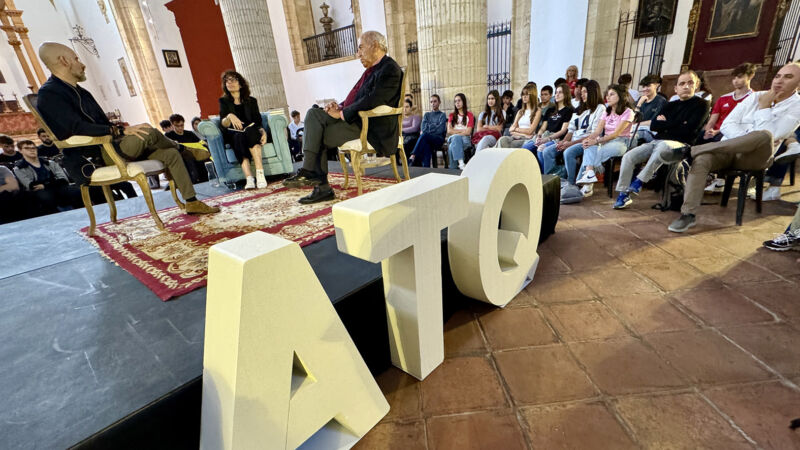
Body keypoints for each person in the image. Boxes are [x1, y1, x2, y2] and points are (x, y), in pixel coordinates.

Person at [35, 42, 219, 215]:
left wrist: (120, 131)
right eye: (76, 58)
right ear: (63, 61)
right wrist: (120, 131)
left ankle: (192, 201)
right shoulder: (49, 94)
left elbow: (102, 124)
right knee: (147, 131)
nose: (82, 64)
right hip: (95, 155)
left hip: (114, 145)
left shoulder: (81, 91)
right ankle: (184, 148)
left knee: (170, 154)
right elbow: (75, 127)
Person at [668, 62, 800, 233]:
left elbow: (773, 134)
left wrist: (764, 107)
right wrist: (747, 136)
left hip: (757, 157)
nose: (779, 81)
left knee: (764, 136)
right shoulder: (754, 97)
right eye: (778, 76)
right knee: (703, 159)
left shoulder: (796, 106)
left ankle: (690, 151)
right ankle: (688, 215)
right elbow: (727, 124)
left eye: (788, 77)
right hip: (730, 150)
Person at [283, 31, 402, 204]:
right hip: (355, 121)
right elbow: (358, 96)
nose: (358, 54)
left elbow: (374, 100)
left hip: (370, 128)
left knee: (318, 135)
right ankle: (310, 171)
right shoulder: (371, 70)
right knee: (313, 113)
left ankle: (319, 184)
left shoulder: (389, 69)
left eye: (360, 48)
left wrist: (341, 113)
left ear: (374, 45)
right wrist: (339, 105)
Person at [614, 70, 710, 209]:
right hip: (657, 141)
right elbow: (654, 125)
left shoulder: (701, 105)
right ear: (676, 88)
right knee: (629, 156)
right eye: (682, 83)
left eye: (690, 83)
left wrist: (666, 123)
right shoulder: (669, 105)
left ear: (697, 85)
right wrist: (677, 123)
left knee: (663, 146)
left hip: (681, 146)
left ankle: (639, 181)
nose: (686, 86)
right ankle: (623, 193)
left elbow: (690, 129)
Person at [575, 84, 635, 197]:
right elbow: (597, 131)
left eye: (612, 94)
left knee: (596, 151)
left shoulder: (628, 112)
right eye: (607, 95)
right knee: (588, 145)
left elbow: (616, 133)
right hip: (606, 141)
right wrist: (589, 139)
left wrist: (596, 141)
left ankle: (587, 179)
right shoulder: (606, 112)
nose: (608, 97)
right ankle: (589, 177)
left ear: (621, 96)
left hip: (621, 142)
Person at [219, 70, 271, 190]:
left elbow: (258, 121)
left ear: (241, 84)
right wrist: (229, 116)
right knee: (238, 137)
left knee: (251, 132)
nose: (229, 83)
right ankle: (249, 178)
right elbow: (224, 124)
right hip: (234, 132)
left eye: (233, 80)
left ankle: (260, 174)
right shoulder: (224, 101)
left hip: (251, 129)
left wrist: (263, 132)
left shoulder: (251, 101)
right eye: (227, 81)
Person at [13, 140, 82, 213]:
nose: (32, 150)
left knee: (76, 191)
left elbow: (63, 180)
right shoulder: (19, 168)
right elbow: (32, 186)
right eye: (27, 148)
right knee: (46, 196)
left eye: (34, 148)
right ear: (20, 151)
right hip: (41, 192)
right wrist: (54, 183)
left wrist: (45, 185)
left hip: (57, 188)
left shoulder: (50, 162)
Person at [560, 80, 606, 185]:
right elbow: (572, 130)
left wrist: (570, 143)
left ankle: (573, 182)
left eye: (585, 92)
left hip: (591, 141)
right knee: (552, 151)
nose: (582, 95)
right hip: (578, 140)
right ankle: (569, 180)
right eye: (582, 92)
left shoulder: (601, 108)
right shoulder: (585, 109)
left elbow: (594, 133)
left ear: (592, 92)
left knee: (569, 152)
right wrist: (564, 142)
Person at [525, 83, 574, 169]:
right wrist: (539, 135)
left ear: (566, 94)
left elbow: (563, 131)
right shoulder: (550, 110)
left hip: (556, 138)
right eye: (556, 92)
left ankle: (545, 177)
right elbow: (543, 128)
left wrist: (547, 139)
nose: (557, 94)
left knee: (541, 149)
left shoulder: (569, 110)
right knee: (525, 148)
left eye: (560, 92)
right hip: (545, 135)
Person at [165, 113, 210, 184]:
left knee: (205, 154)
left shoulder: (189, 133)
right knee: (188, 156)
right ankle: (193, 179)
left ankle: (205, 178)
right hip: (181, 155)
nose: (180, 128)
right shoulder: (169, 135)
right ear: (172, 125)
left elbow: (199, 143)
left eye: (182, 125)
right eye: (177, 126)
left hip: (196, 153)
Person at [496, 84, 541, 149]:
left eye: (526, 94)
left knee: (510, 144)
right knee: (502, 140)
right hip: (518, 136)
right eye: (523, 94)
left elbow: (530, 131)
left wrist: (517, 130)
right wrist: (522, 134)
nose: (524, 97)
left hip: (526, 139)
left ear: (532, 96)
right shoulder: (520, 111)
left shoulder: (537, 111)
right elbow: (511, 129)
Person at [408, 94, 447, 167]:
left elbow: (440, 130)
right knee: (426, 144)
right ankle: (426, 168)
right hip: (428, 139)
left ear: (439, 102)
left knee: (424, 135)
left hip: (438, 140)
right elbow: (423, 128)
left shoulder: (442, 115)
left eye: (435, 101)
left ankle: (413, 155)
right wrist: (435, 126)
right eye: (431, 102)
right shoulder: (427, 115)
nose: (433, 104)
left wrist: (429, 126)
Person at [633, 74, 668, 143]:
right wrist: (639, 104)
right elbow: (632, 119)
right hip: (636, 129)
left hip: (650, 133)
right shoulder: (640, 99)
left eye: (648, 86)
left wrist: (636, 125)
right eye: (643, 86)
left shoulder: (661, 101)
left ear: (657, 85)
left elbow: (654, 121)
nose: (645, 89)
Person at [445, 93, 475, 169]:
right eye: (455, 101)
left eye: (459, 101)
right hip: (453, 139)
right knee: (456, 138)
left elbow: (468, 132)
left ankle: (453, 169)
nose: (457, 103)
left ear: (463, 101)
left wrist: (455, 131)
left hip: (465, 140)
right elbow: (449, 130)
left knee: (452, 147)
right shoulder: (452, 115)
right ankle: (461, 163)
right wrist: (462, 130)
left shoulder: (469, 115)